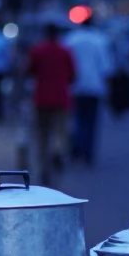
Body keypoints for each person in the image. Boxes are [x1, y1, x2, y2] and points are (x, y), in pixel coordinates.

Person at [26, 22, 75, 184]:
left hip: (41, 98)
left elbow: (29, 71)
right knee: (60, 131)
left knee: (42, 135)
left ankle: (44, 167)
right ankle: (58, 151)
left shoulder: (37, 51)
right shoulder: (65, 52)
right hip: (61, 97)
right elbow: (73, 75)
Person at [64, 16, 113, 164]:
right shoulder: (99, 41)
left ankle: (77, 148)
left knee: (77, 119)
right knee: (91, 121)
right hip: (94, 87)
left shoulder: (70, 40)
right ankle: (87, 152)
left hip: (75, 86)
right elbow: (106, 67)